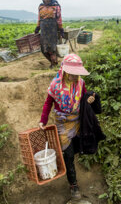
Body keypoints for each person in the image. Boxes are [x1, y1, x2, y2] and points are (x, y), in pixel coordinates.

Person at [39, 54, 95, 200]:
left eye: (77, 74)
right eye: (73, 74)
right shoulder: (55, 85)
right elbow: (48, 103)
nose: (75, 77)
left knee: (77, 147)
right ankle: (73, 185)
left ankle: (72, 165)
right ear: (64, 70)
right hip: (63, 124)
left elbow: (83, 99)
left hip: (77, 121)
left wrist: (89, 99)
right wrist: (43, 121)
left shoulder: (81, 83)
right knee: (68, 155)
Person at [34, 0, 64, 68]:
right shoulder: (41, 6)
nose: (45, 0)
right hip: (44, 29)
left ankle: (53, 64)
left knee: (52, 48)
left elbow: (59, 19)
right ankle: (53, 61)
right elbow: (39, 18)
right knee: (43, 48)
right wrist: (38, 27)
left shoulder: (55, 6)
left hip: (52, 28)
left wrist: (61, 29)